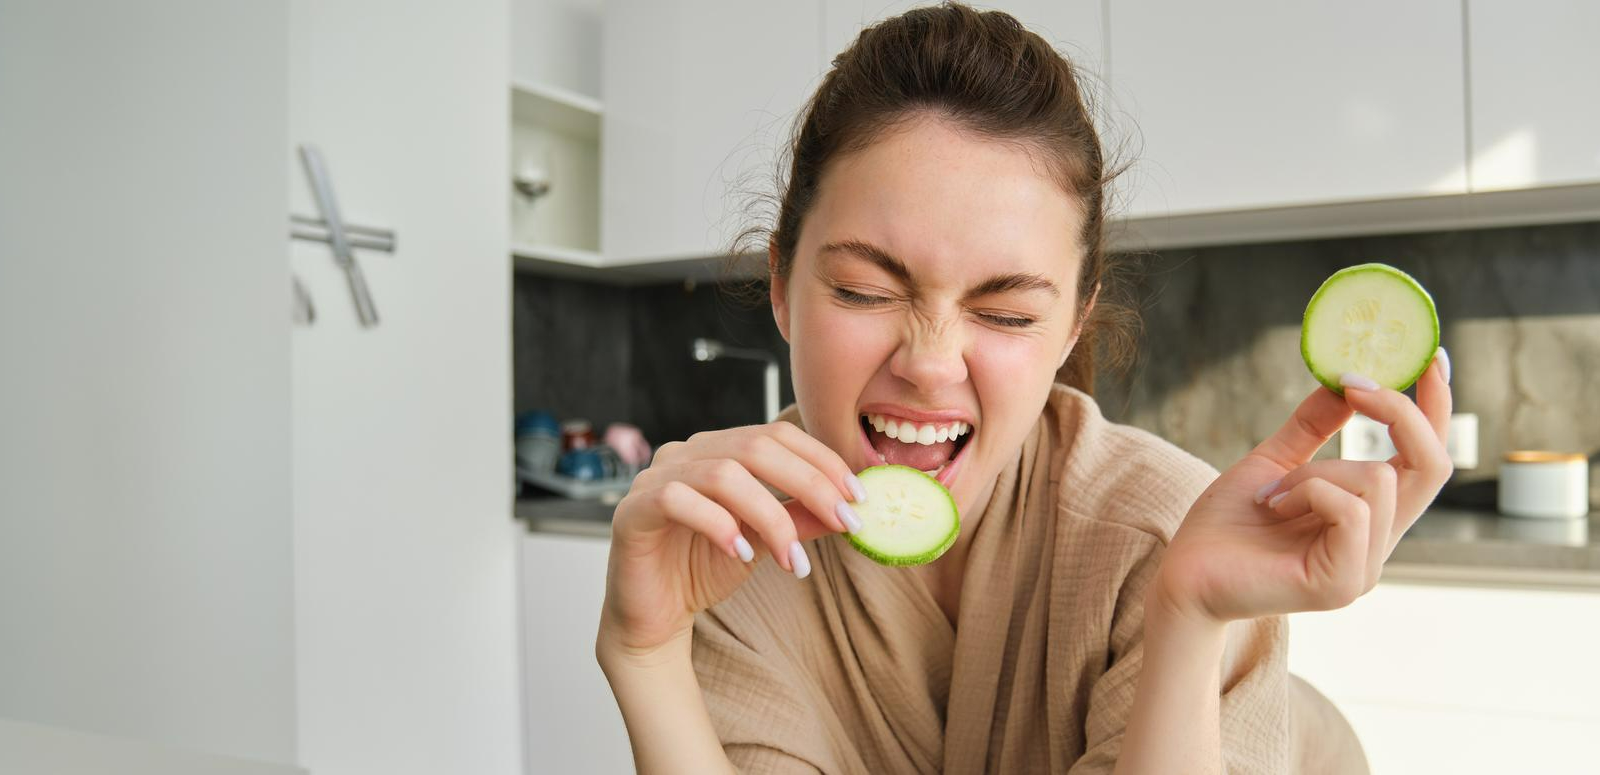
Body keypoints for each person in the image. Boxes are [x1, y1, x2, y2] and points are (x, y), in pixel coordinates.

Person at [596, 4, 1453, 773]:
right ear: (782, 284)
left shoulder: (1163, 534)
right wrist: (646, 654)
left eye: (1004, 312)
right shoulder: (727, 548)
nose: (930, 363)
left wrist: (1187, 615)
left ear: (1075, 322)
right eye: (865, 290)